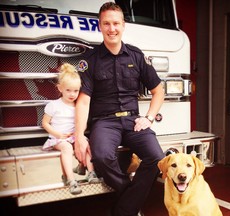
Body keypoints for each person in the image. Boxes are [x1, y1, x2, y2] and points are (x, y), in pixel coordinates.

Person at [74, 2, 165, 215]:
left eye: (116, 23)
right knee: (103, 157)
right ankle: (130, 203)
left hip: (134, 121)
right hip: (104, 123)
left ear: (123, 25)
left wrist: (149, 118)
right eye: (106, 23)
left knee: (156, 158)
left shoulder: (135, 55)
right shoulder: (90, 60)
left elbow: (158, 90)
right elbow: (83, 100)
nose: (111, 28)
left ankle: (123, 210)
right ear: (99, 26)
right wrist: (79, 136)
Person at [42, 63, 102, 195]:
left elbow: (83, 122)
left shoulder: (78, 105)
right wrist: (58, 134)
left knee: (86, 144)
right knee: (67, 148)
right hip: (58, 138)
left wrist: (77, 134)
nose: (72, 94)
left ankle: (91, 173)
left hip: (73, 136)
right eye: (68, 90)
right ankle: (70, 179)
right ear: (60, 88)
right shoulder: (54, 105)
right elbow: (45, 123)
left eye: (76, 91)